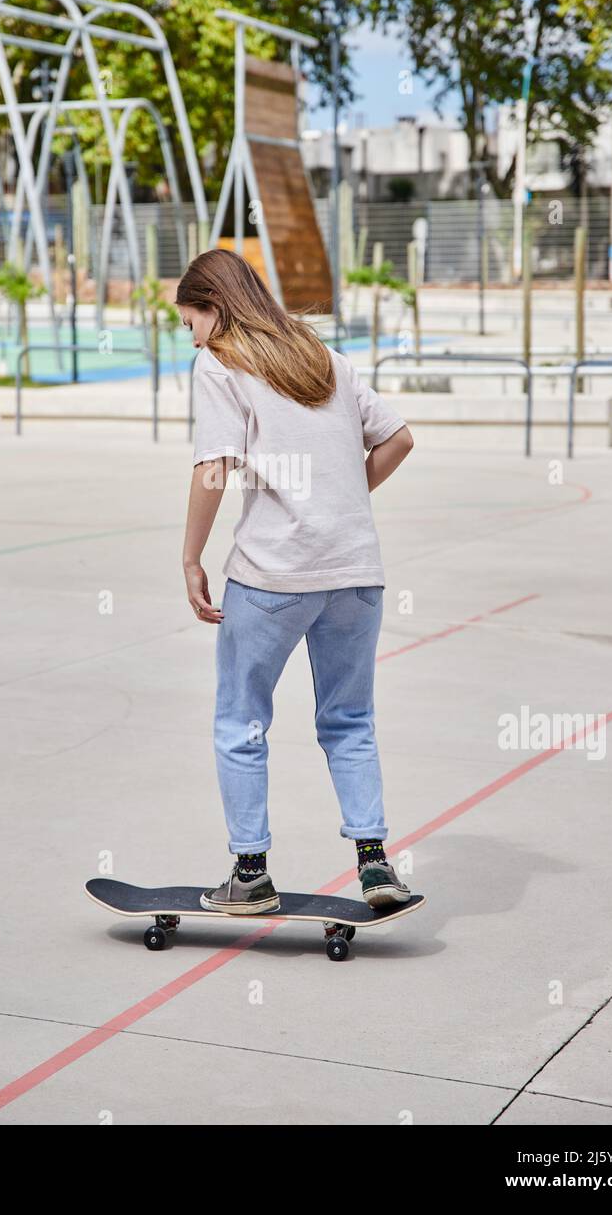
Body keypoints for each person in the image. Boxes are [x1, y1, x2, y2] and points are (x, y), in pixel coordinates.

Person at [179, 248, 415, 916]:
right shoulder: (324, 360)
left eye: (189, 322)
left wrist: (191, 559)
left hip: (273, 575)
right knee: (348, 721)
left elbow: (214, 468)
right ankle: (375, 865)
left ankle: (250, 874)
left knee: (241, 720)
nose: (190, 337)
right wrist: (341, 497)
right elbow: (398, 439)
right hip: (354, 572)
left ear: (214, 309)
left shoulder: (220, 362)